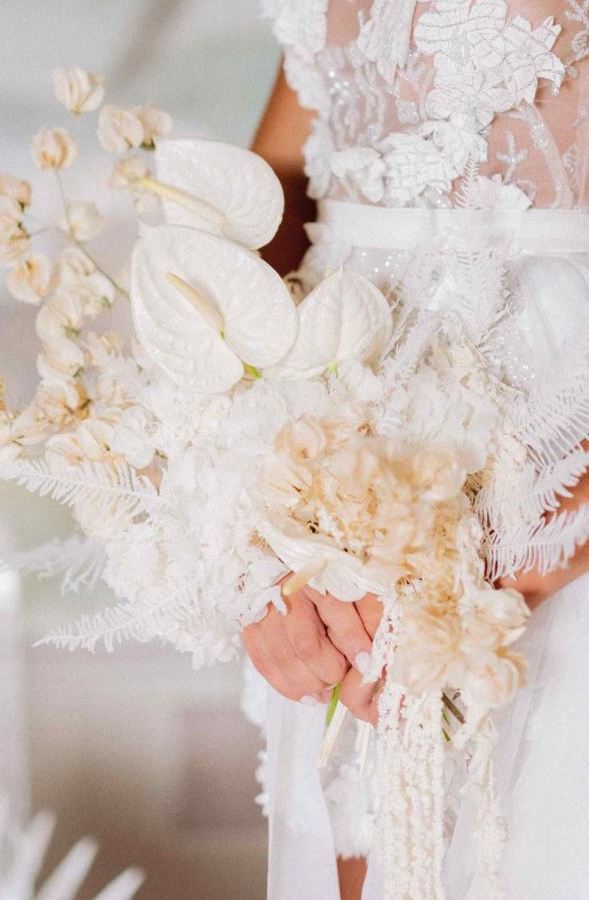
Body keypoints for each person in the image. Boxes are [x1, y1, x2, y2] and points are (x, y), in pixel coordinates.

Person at [242, 2, 589, 898]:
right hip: (335, 538)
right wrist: (254, 532)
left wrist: (539, 535)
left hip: (552, 526)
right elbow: (264, 224)